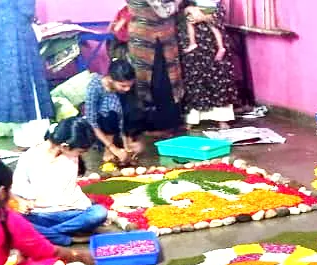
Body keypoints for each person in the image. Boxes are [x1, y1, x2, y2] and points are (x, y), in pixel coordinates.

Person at [12, 118, 109, 246]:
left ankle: (48, 234)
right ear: (64, 146)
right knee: (13, 220)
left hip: (73, 212)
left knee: (99, 213)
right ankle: (65, 237)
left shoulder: (70, 153)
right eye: (80, 152)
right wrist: (21, 201)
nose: (80, 155)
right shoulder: (29, 157)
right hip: (41, 214)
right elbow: (16, 187)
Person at [0, 0, 53, 123]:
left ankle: (6, 124)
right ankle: (29, 125)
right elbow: (27, 10)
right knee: (21, 79)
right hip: (14, 33)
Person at [126, 0, 184, 133]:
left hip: (158, 36)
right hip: (148, 36)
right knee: (155, 80)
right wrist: (178, 2)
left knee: (161, 79)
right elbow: (164, 11)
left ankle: (164, 125)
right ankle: (156, 126)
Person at [179, 0, 235, 129]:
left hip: (213, 46)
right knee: (194, 80)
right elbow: (177, 14)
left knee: (219, 81)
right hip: (194, 51)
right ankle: (192, 119)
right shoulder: (186, 3)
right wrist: (188, 10)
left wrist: (203, 17)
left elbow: (219, 15)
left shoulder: (214, 4)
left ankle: (222, 119)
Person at [84, 59, 146, 164]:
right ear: (110, 79)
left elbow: (125, 115)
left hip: (119, 129)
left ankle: (127, 144)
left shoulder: (125, 89)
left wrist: (127, 143)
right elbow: (92, 122)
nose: (127, 89)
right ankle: (108, 150)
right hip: (100, 130)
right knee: (110, 114)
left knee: (134, 108)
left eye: (129, 85)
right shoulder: (95, 86)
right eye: (123, 86)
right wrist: (112, 148)